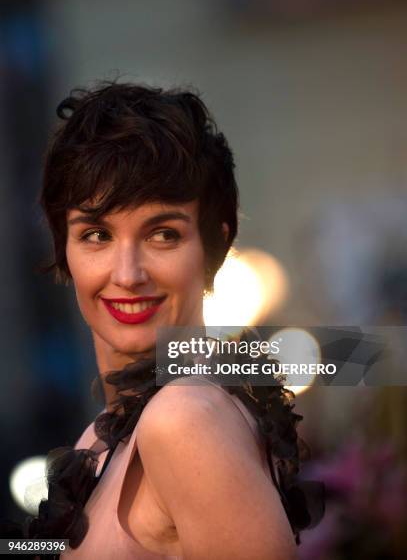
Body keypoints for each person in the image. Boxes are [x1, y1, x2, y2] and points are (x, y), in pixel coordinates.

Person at [25, 82, 322, 559]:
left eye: (163, 234)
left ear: (215, 246)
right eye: (97, 234)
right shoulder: (104, 436)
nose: (127, 274)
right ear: (64, 248)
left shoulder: (182, 420)